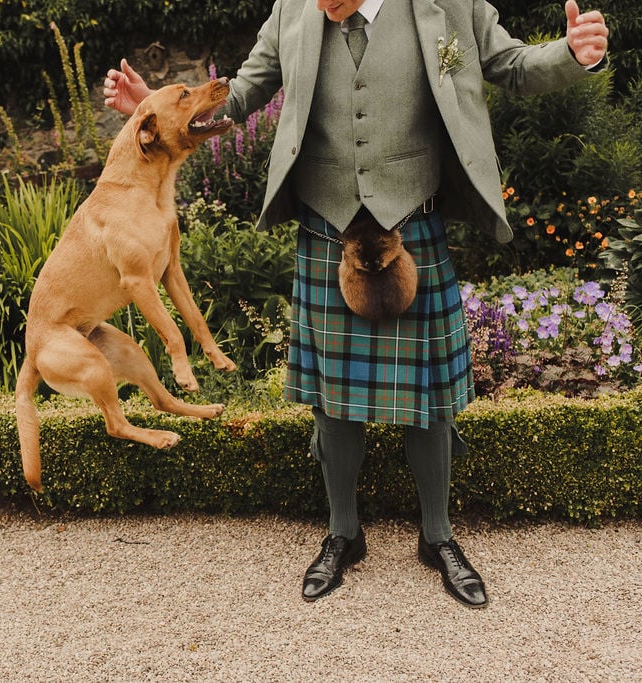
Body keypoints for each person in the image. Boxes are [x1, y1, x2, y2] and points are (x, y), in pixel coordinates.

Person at [103, 0, 608, 608]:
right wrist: (149, 109)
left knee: (430, 400)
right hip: (325, 229)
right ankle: (344, 532)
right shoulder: (292, 11)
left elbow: (514, 65)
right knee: (333, 401)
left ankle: (438, 536)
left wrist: (576, 54)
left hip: (413, 226)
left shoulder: (451, 6)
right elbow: (239, 93)